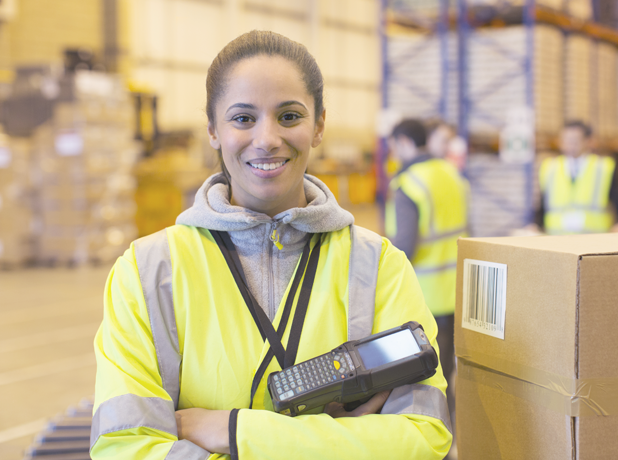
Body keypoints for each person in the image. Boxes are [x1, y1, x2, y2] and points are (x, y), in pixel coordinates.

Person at [90, 31, 452, 459]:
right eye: (243, 118)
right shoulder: (147, 270)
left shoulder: (379, 265)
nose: (266, 139)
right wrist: (345, 442)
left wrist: (233, 431)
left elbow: (425, 439)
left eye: (289, 116)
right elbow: (124, 447)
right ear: (213, 130)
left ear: (318, 125)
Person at [384, 119, 468, 433]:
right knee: (451, 370)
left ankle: (437, 444)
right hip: (457, 287)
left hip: (424, 295)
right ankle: (457, 433)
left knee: (429, 380)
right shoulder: (452, 174)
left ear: (404, 142)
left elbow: (403, 246)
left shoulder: (408, 184)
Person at [533, 120, 618, 234]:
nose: (570, 144)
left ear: (588, 141)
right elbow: (544, 202)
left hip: (592, 237)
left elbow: (615, 198)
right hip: (557, 237)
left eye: (575, 140)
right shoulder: (550, 167)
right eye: (566, 140)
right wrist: (536, 225)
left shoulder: (604, 168)